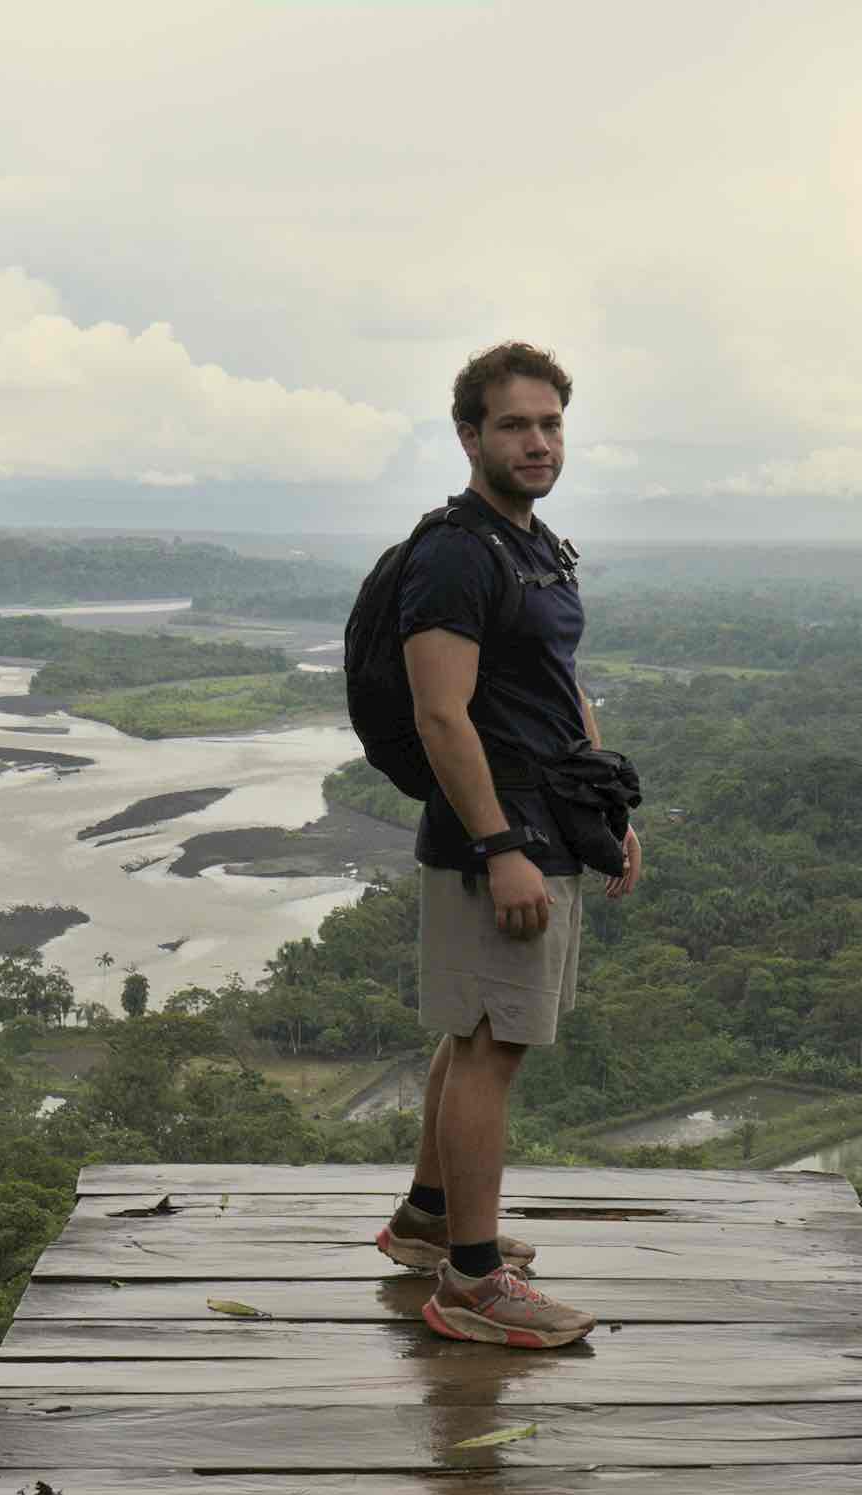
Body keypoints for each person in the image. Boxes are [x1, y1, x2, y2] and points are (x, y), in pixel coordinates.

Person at [369, 341, 644, 1349]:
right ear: (469, 436)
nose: (537, 442)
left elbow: (558, 686)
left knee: (474, 1033)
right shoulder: (455, 551)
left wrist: (606, 807)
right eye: (516, 425)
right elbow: (443, 716)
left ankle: (429, 1223)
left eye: (551, 424)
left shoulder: (535, 546)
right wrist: (500, 846)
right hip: (499, 831)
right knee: (495, 1043)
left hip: (544, 817)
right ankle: (472, 1284)